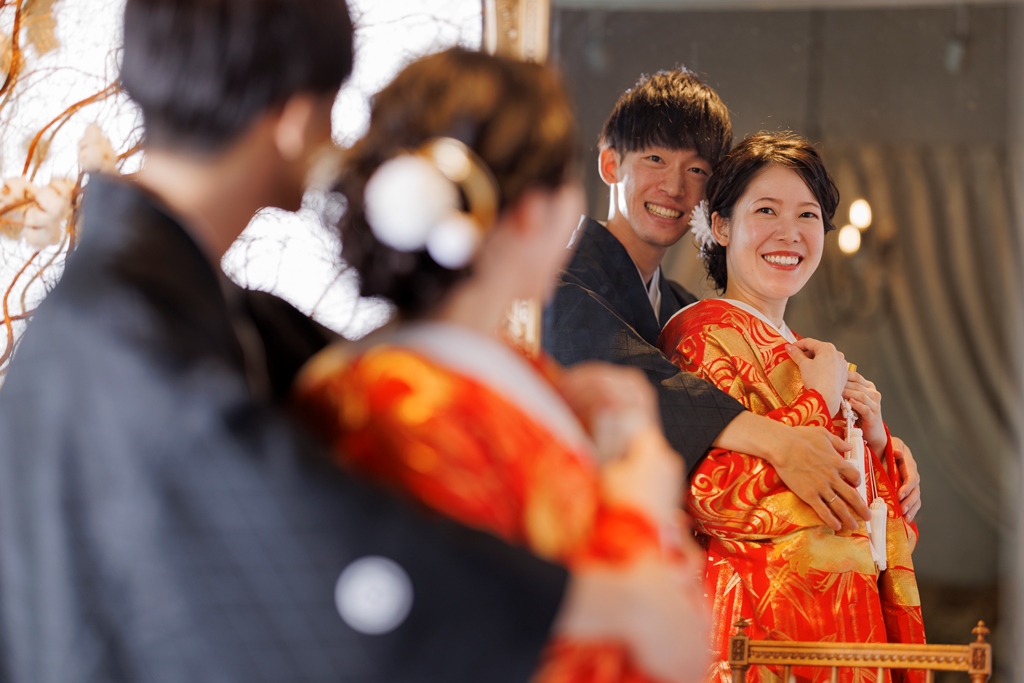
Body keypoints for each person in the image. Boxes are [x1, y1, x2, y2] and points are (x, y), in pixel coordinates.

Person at [0, 2, 702, 681]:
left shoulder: (157, 300)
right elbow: (319, 544)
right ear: (294, 118)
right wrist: (617, 581)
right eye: (331, 105)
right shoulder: (122, 330)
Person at [292, 47, 710, 683]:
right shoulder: (414, 403)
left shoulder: (450, 375)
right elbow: (654, 644)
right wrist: (638, 503)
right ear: (532, 212)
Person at [542, 69, 923, 530]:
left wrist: (874, 447)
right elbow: (650, 389)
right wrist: (796, 425)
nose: (675, 187)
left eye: (697, 170)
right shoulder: (558, 285)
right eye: (655, 158)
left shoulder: (680, 306)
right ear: (609, 164)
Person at [658, 132, 926, 682]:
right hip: (759, 625)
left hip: (845, 627)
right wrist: (818, 400)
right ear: (722, 226)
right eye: (766, 210)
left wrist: (879, 448)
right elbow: (712, 497)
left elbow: (866, 527)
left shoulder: (807, 353)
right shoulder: (701, 336)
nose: (790, 233)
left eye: (808, 215)